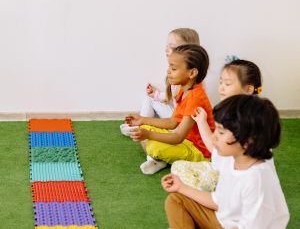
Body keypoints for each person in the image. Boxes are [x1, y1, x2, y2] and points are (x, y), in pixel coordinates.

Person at [162, 95, 289, 229]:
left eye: (221, 132)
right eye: (216, 129)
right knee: (176, 200)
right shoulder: (232, 160)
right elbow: (219, 201)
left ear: (247, 142)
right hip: (224, 221)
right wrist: (181, 187)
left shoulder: (256, 179)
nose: (215, 136)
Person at [171, 59, 263, 191]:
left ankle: (213, 194)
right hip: (219, 169)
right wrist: (202, 121)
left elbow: (217, 150)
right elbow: (214, 148)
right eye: (221, 82)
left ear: (248, 89)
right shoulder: (227, 111)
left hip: (232, 178)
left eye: (227, 83)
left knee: (185, 181)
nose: (221, 87)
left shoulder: (248, 119)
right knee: (178, 167)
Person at [124, 44, 214, 174]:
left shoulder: (196, 98)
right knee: (142, 130)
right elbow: (172, 123)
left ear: (192, 73)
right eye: (169, 66)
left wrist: (149, 135)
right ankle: (162, 160)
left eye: (174, 68)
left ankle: (162, 160)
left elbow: (178, 137)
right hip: (186, 142)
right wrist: (142, 120)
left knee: (153, 144)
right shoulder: (184, 90)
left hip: (199, 152)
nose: (168, 71)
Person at [120, 28, 200, 136]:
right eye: (167, 45)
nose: (166, 49)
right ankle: (139, 125)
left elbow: (179, 113)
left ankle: (141, 127)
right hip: (175, 117)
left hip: (180, 126)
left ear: (188, 53)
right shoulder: (177, 71)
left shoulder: (187, 77)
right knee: (150, 98)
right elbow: (172, 97)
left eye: (172, 46)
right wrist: (155, 94)